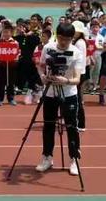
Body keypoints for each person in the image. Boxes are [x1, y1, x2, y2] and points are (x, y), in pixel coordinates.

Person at [36, 23, 84, 176]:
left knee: (71, 126)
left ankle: (74, 159)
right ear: (57, 36)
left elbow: (77, 78)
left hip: (69, 93)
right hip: (50, 92)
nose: (64, 42)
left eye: (68, 39)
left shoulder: (76, 52)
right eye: (61, 38)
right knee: (48, 125)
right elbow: (41, 66)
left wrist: (66, 81)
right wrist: (42, 76)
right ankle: (47, 157)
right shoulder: (48, 48)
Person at [0, 24, 18, 106]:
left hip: (11, 65)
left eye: (7, 32)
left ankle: (11, 98)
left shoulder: (15, 42)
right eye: (4, 32)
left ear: (11, 33)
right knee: (0, 82)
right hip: (2, 64)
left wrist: (15, 58)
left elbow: (17, 53)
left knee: (11, 82)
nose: (6, 34)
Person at [72, 21, 88, 132]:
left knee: (77, 98)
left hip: (79, 73)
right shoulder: (78, 42)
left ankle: (80, 123)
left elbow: (79, 60)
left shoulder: (79, 43)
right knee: (76, 98)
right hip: (80, 72)